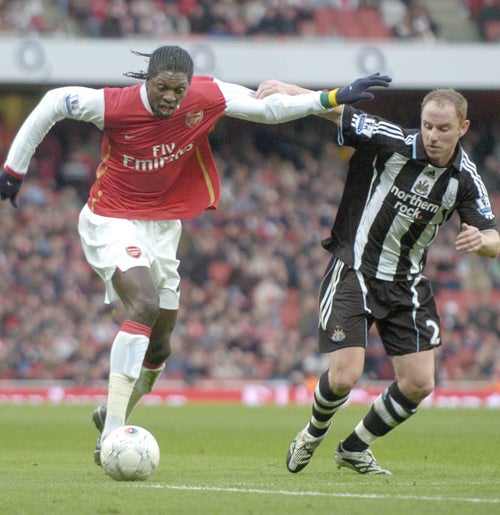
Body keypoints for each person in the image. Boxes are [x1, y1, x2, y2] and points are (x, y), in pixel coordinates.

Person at [0, 45, 392, 466]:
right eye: (163, 87)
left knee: (162, 344)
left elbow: (270, 110)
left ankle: (114, 413)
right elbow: (53, 102)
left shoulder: (207, 96)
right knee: (144, 304)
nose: (170, 97)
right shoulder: (113, 105)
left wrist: (331, 97)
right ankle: (112, 431)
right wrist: (13, 170)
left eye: (178, 89)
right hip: (110, 218)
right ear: (147, 80)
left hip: (163, 226)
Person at [255, 79, 500, 474]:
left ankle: (354, 448)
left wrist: (481, 240)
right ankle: (312, 433)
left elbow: (494, 238)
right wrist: (286, 88)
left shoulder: (465, 179)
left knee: (419, 384)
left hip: (407, 283)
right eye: (427, 126)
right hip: (356, 269)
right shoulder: (392, 140)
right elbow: (334, 110)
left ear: (463, 128)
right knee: (346, 375)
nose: (433, 136)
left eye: (443, 129)